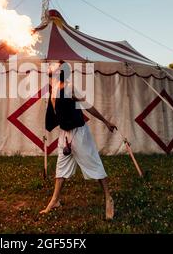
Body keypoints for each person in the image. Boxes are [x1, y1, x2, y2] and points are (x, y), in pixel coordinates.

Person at [40, 61, 117, 220]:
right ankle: (54, 200)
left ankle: (108, 199)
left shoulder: (70, 87)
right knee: (61, 168)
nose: (51, 66)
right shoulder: (54, 88)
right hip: (65, 134)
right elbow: (56, 111)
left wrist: (106, 121)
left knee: (93, 164)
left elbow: (88, 106)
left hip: (79, 133)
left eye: (55, 66)